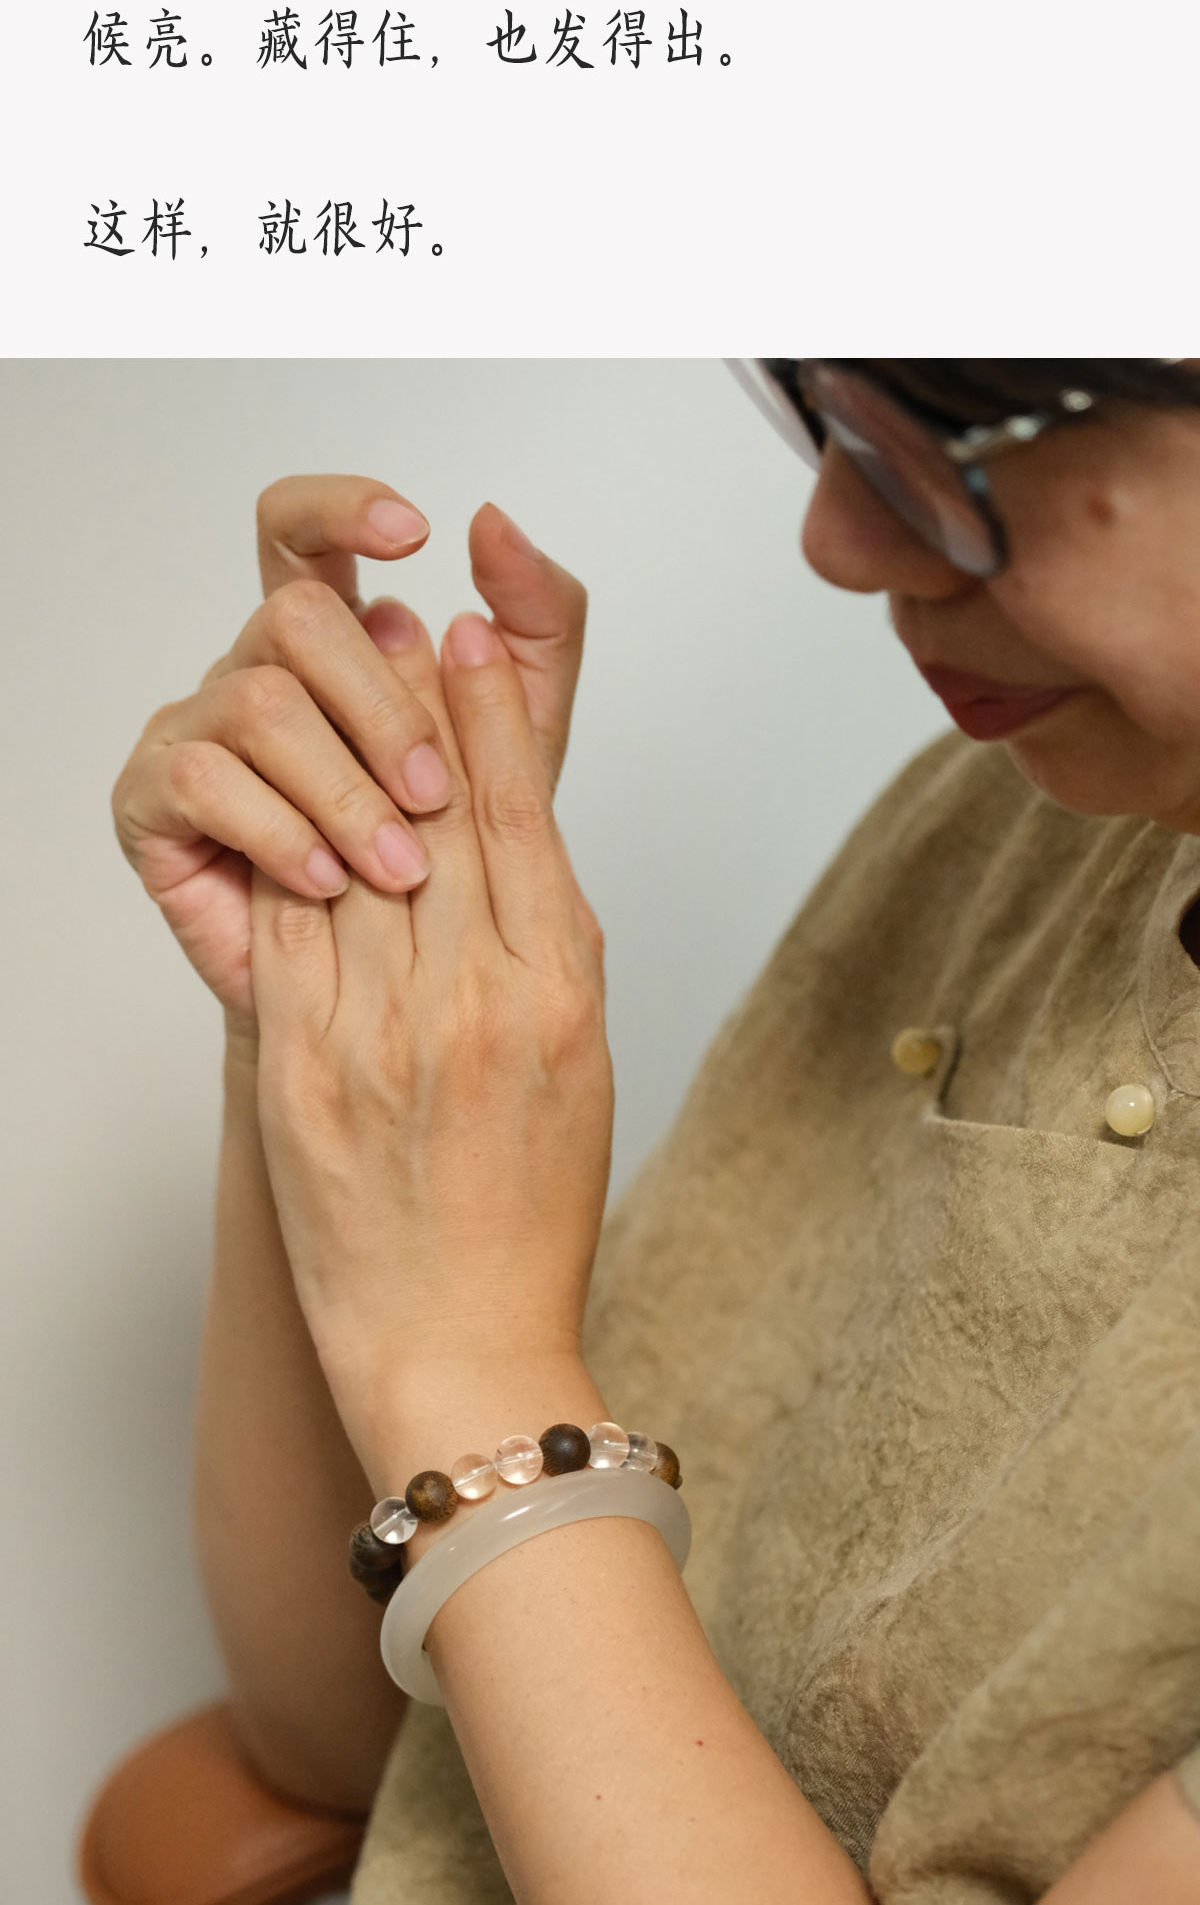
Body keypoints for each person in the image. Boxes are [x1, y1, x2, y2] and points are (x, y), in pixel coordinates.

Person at [110, 360, 1200, 1904]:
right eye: (819, 409)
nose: (839, 537)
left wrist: (468, 1360)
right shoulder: (1022, 816)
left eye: (948, 427)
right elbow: (350, 1745)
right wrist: (322, 1012)